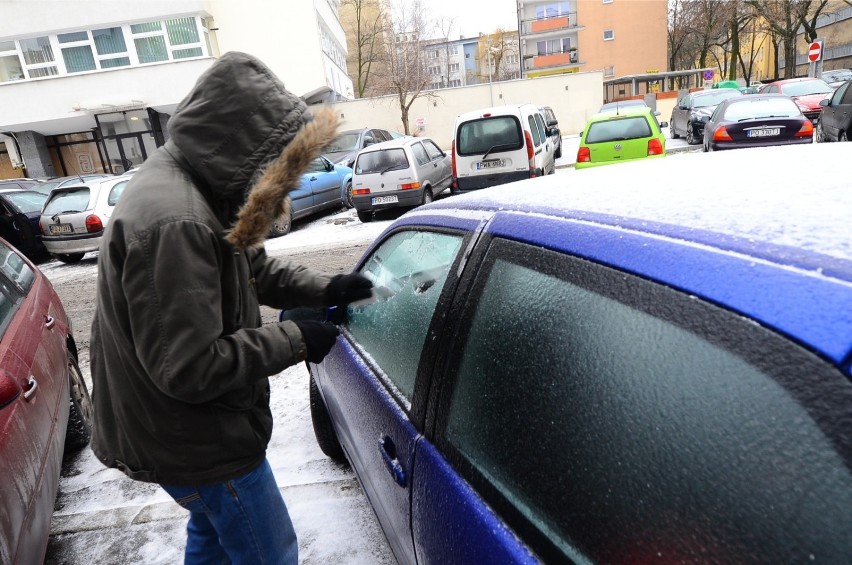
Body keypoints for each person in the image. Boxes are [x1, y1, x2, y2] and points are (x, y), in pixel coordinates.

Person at [88, 52, 372, 564]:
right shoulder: (178, 221)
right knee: (271, 553)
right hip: (197, 440)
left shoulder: (201, 186)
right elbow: (189, 366)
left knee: (214, 538)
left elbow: (252, 270)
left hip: (178, 431)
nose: (283, 176)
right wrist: (296, 340)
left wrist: (326, 288)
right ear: (245, 147)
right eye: (279, 160)